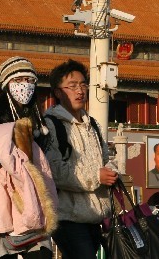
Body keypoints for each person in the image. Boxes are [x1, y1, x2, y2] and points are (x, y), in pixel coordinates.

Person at [0, 56, 57, 259]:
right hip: (0, 188)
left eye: (30, 80)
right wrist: (13, 157)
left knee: (39, 246)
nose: (25, 85)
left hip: (33, 189)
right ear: (7, 84)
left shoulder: (35, 115)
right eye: (19, 80)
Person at [44, 59, 118, 259]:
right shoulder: (50, 125)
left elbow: (107, 157)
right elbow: (53, 171)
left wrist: (111, 170)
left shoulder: (91, 124)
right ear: (58, 92)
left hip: (96, 216)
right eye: (72, 86)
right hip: (68, 217)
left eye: (83, 85)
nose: (80, 91)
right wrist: (96, 176)